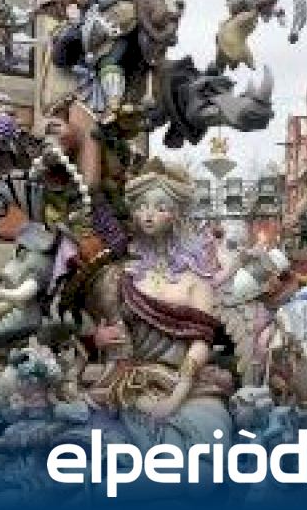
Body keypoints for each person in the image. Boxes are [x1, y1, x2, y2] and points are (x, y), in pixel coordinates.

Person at [85, 158, 234, 450]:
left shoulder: (196, 278)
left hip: (186, 385)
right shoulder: (122, 274)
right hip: (131, 383)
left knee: (208, 443)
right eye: (141, 207)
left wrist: (175, 398)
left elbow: (201, 342)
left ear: (177, 214)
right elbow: (113, 336)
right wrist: (100, 339)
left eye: (160, 207)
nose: (148, 215)